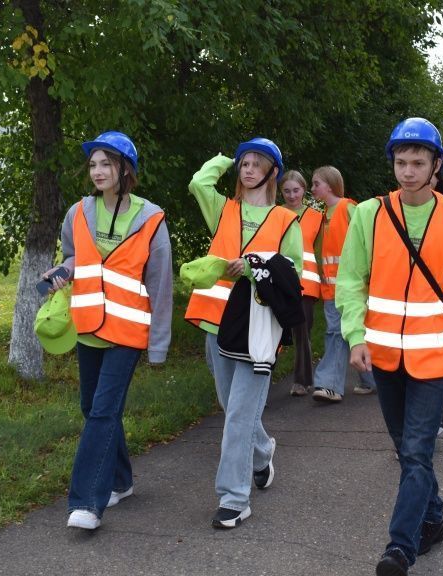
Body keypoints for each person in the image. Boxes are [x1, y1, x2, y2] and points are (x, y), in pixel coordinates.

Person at [337, 118, 443, 575]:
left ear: (435, 165)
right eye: (401, 162)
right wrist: (355, 336)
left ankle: (399, 548)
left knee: (418, 450)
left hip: (435, 356)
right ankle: (435, 519)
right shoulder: (368, 214)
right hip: (382, 354)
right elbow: (350, 281)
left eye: (417, 162)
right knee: (408, 450)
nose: (407, 171)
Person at [42, 131, 173, 530]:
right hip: (87, 326)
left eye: (107, 164)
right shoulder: (78, 212)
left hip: (128, 332)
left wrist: (158, 346)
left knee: (102, 413)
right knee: (92, 409)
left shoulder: (151, 218)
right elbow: (75, 256)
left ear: (124, 169)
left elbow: (161, 283)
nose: (98, 171)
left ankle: (87, 503)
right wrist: (61, 271)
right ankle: (120, 480)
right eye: (93, 164)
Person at [184, 138, 302, 529]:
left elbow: (293, 275)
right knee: (231, 407)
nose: (248, 169)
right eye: (244, 163)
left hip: (256, 329)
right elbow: (200, 183)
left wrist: (254, 268)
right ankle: (263, 452)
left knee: (237, 416)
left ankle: (234, 499)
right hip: (215, 322)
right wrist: (225, 157)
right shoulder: (224, 209)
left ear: (273, 172)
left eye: (257, 163)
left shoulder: (286, 220)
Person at [311, 166, 377, 402]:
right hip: (331, 290)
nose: (312, 189)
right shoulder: (322, 216)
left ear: (329, 184)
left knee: (337, 333)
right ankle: (371, 380)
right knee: (343, 333)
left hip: (353, 289)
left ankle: (329, 384)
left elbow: (369, 242)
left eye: (316, 183)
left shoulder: (348, 208)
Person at [280, 170, 324, 396]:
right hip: (277, 282)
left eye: (296, 190)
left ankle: (303, 380)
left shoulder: (317, 217)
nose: (292, 195)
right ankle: (259, 384)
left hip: (306, 283)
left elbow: (320, 252)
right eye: (286, 191)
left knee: (302, 332)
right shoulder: (274, 214)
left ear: (303, 190)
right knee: (271, 333)